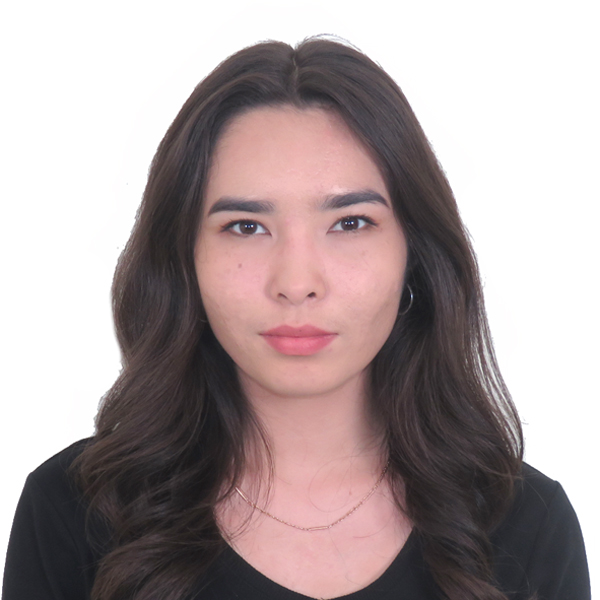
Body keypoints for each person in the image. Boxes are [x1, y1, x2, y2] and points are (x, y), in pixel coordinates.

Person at [2, 37, 590, 600]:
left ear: (414, 252)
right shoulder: (73, 513)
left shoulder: (526, 525)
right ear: (184, 258)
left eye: (350, 223)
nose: (296, 282)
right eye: (246, 227)